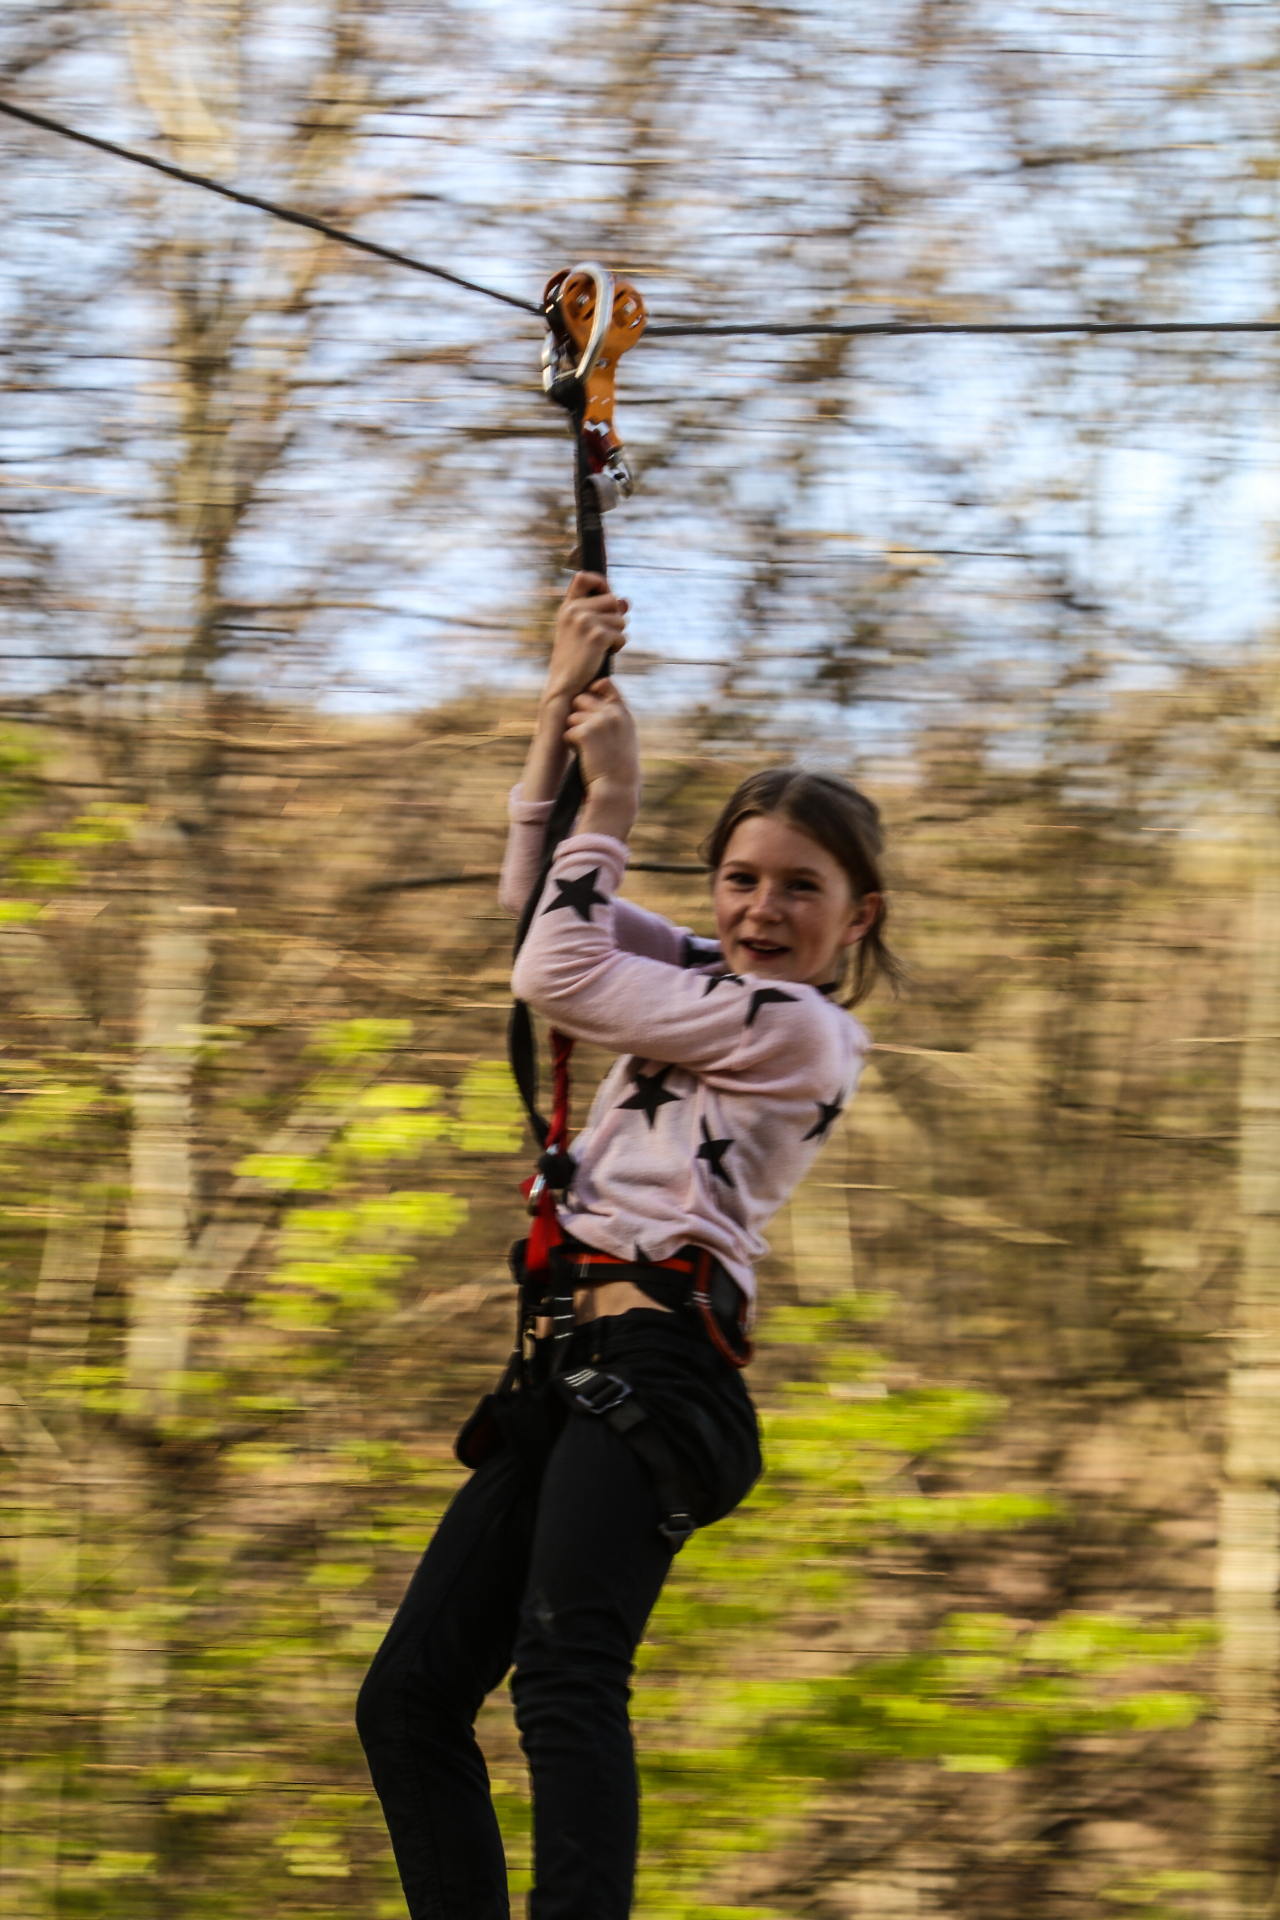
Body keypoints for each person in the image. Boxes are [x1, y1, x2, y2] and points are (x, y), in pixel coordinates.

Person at [356, 572, 897, 1920]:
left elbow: (555, 971)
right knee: (408, 1698)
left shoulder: (802, 1030)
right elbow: (537, 912)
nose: (762, 909)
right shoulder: (706, 980)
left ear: (858, 917)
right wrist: (559, 703)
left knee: (564, 1674)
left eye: (801, 889)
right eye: (740, 879)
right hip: (567, 1370)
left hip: (657, 1370)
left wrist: (618, 801)